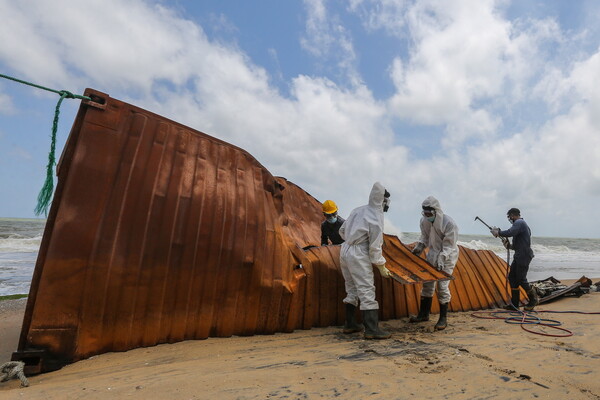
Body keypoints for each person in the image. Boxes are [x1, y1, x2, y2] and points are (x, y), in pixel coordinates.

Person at [338, 182, 392, 340]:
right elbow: (375, 247)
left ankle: (350, 324)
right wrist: (381, 265)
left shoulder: (358, 210)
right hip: (358, 253)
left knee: (351, 288)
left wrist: (351, 240)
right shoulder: (376, 216)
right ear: (383, 200)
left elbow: (341, 230)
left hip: (345, 249)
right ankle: (371, 329)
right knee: (366, 289)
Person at [410, 196, 459, 331]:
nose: (427, 216)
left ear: (436, 211)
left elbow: (449, 245)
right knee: (427, 283)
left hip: (448, 256)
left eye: (429, 214)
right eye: (425, 214)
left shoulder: (449, 223)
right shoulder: (424, 221)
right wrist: (419, 247)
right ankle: (423, 314)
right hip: (433, 253)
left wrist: (442, 258)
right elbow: (424, 237)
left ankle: (443, 318)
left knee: (442, 286)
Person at [491, 208, 538, 311]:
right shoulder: (521, 225)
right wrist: (509, 246)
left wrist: (498, 232)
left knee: (521, 279)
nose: (509, 219)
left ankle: (534, 299)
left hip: (524, 255)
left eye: (509, 217)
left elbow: (510, 232)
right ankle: (514, 304)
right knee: (512, 277)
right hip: (519, 254)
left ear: (512, 215)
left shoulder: (519, 222)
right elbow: (518, 245)